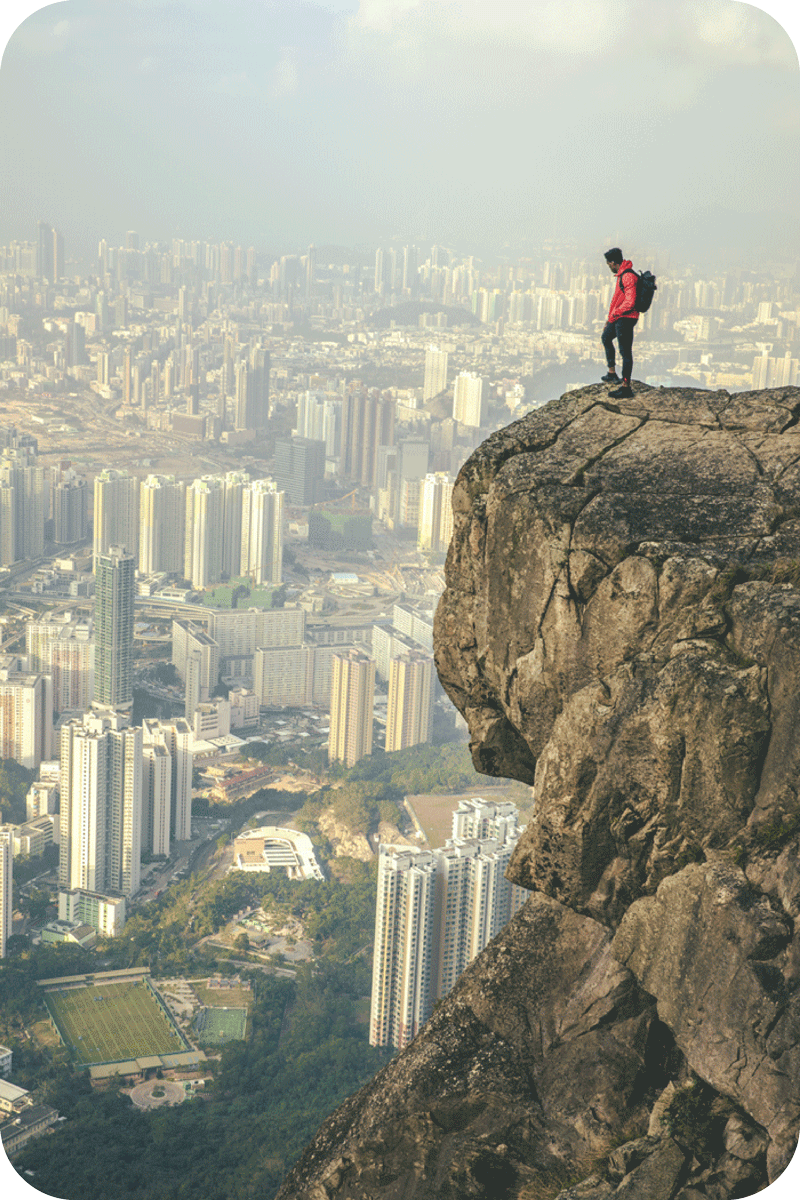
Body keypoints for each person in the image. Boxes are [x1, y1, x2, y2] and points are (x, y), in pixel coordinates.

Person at [601, 248, 638, 398]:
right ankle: (612, 373)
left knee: (625, 352)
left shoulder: (628, 276)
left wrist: (615, 314)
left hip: (626, 318)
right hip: (618, 317)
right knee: (606, 337)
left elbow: (630, 302)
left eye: (608, 264)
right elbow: (617, 300)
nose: (608, 267)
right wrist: (609, 320)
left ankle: (626, 387)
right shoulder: (622, 275)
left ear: (613, 262)